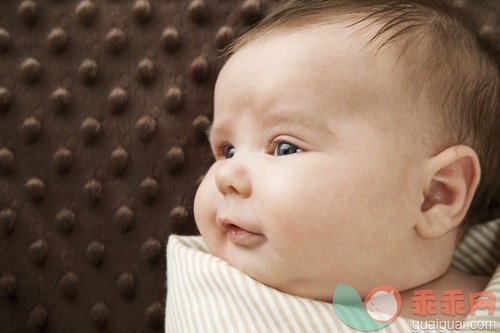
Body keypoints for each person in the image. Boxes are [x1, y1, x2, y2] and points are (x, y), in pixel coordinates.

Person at [166, 0, 500, 331]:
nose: (225, 176)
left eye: (284, 148)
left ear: (435, 195)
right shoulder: (211, 286)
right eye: (227, 150)